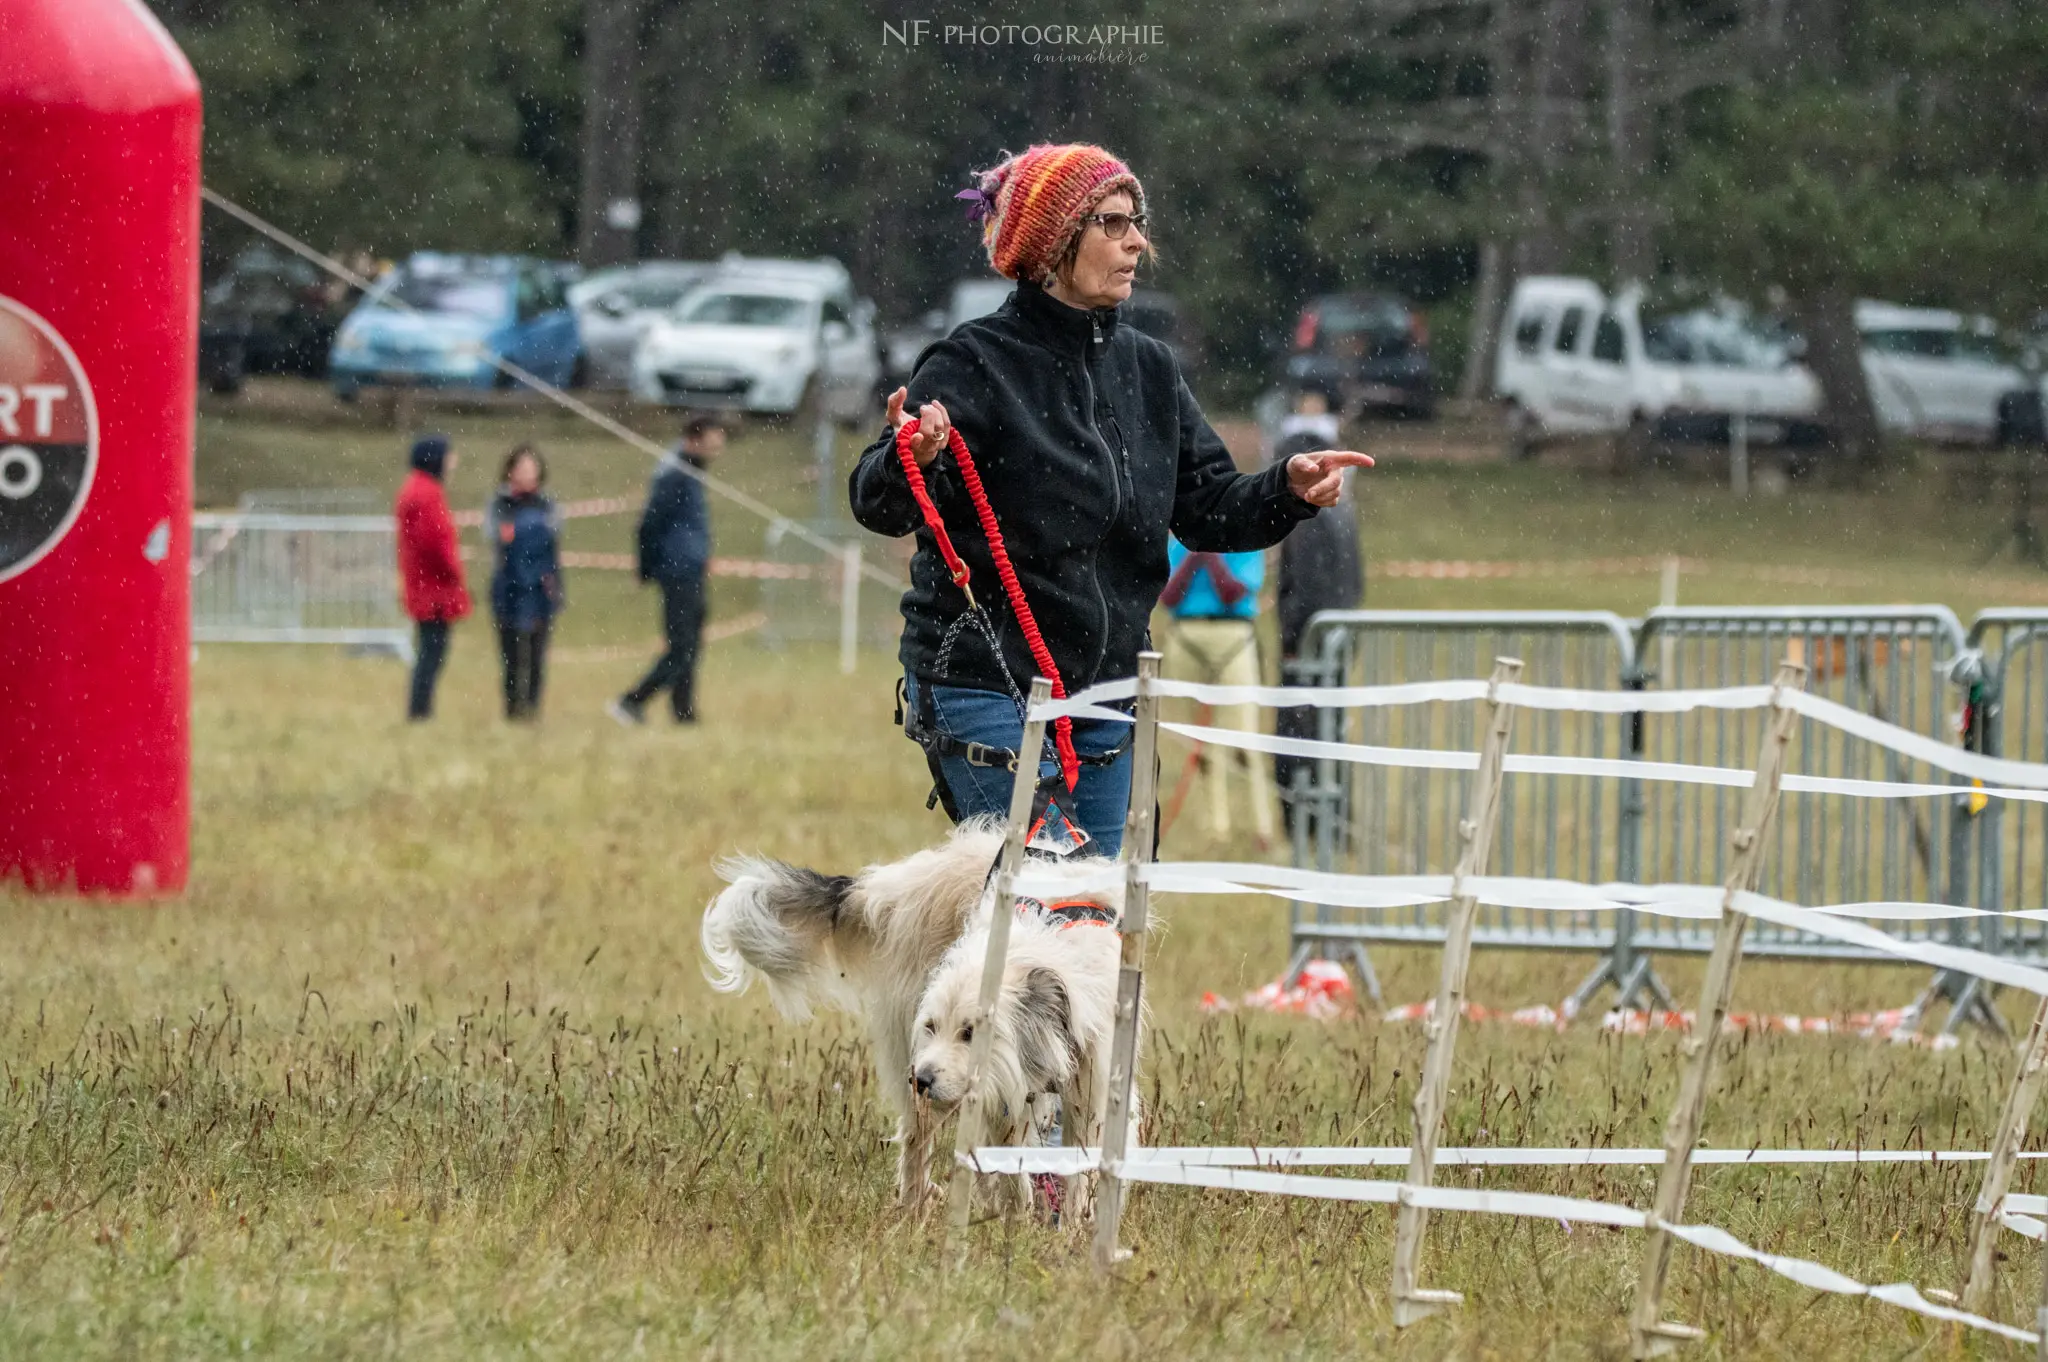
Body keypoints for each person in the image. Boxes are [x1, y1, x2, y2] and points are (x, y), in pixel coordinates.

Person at [849, 142, 1373, 856]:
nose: (1137, 242)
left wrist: (1288, 488)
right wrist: (913, 457)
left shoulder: (1150, 369)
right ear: (1052, 244)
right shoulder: (974, 361)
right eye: (1112, 222)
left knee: (1102, 922)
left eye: (1138, 220)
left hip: (1110, 693)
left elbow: (1211, 507)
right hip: (988, 685)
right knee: (1044, 903)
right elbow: (879, 501)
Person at [1268, 385, 1366, 839]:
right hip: (1340, 635)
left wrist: (1291, 642)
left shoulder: (1309, 519)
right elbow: (1356, 581)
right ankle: (1337, 819)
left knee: (1298, 734)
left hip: (1309, 641)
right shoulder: (1346, 513)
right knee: (1332, 730)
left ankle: (1302, 821)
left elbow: (1302, 585)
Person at [1158, 537, 1277, 846]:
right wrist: (1190, 556)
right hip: (1186, 635)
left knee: (1244, 739)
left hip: (1234, 634)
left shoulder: (1248, 542)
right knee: (1199, 744)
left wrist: (1209, 555)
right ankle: (1216, 827)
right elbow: (1168, 596)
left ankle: (1261, 825)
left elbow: (1233, 592)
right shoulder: (1179, 544)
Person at [610, 414, 723, 725]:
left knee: (691, 644)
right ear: (694, 438)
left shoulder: (691, 471)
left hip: (691, 569)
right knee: (682, 646)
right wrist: (646, 568)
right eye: (713, 440)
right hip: (678, 572)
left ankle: (683, 711)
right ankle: (632, 701)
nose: (718, 447)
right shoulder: (674, 473)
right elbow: (649, 524)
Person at [393, 432, 470, 720]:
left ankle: (421, 709)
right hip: (433, 587)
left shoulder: (416, 490)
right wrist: (454, 573)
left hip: (424, 583)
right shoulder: (427, 493)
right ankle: (420, 711)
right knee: (432, 652)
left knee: (429, 649)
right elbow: (436, 542)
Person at [484, 444, 563, 721]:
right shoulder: (500, 505)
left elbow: (553, 547)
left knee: (537, 654)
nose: (527, 473)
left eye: (532, 467)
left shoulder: (548, 506)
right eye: (521, 467)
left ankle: (532, 707)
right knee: (511, 654)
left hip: (541, 590)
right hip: (509, 589)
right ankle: (512, 708)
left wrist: (552, 587)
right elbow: (496, 540)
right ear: (510, 471)